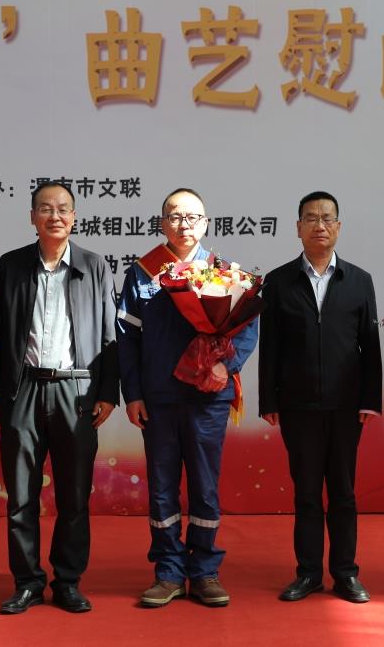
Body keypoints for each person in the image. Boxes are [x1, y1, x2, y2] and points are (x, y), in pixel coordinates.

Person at [0, 181, 120, 614]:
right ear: (32, 217)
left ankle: (68, 581)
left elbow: (110, 334)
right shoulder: (12, 265)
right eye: (45, 208)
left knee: (74, 495)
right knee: (21, 494)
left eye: (63, 208)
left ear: (74, 217)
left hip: (75, 390)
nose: (54, 216)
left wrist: (107, 392)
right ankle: (26, 582)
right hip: (22, 389)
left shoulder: (94, 266)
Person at [117, 187, 258, 608]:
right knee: (162, 488)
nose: (185, 224)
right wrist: (133, 394)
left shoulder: (224, 273)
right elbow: (126, 338)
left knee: (205, 486)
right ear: (163, 223)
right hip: (158, 398)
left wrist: (227, 367)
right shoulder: (142, 273)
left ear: (206, 223)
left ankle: (205, 570)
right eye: (176, 216)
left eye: (193, 217)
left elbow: (248, 326)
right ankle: (168, 573)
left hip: (207, 398)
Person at [259, 191, 383, 604]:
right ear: (298, 228)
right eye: (311, 218)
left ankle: (346, 573)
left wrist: (370, 399)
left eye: (327, 218)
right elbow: (269, 345)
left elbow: (370, 345)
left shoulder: (359, 280)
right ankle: (309, 573)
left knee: (344, 493)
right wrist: (268, 400)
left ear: (338, 227)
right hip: (298, 405)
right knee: (307, 493)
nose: (319, 225)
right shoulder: (278, 281)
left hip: (347, 406)